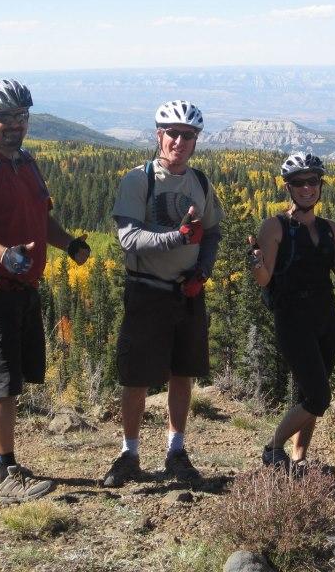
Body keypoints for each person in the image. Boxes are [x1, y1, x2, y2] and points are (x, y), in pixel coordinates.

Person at [0, 79, 91, 503]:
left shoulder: (24, 163)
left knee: (12, 376)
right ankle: (8, 477)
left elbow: (40, 221)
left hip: (19, 286)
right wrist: (3, 254)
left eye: (21, 117)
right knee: (1, 384)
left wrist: (71, 245)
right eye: (5, 118)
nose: (14, 125)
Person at [103, 100, 224, 487]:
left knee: (182, 373)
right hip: (147, 291)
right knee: (137, 378)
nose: (179, 141)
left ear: (196, 141)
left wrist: (203, 271)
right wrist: (177, 237)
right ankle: (129, 452)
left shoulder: (201, 183)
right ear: (159, 135)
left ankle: (176, 449)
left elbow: (213, 232)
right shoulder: (138, 180)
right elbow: (129, 238)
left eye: (188, 135)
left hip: (186, 292)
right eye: (172, 133)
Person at [249, 152, 335, 475]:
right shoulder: (274, 227)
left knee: (310, 392)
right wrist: (257, 263)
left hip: (325, 315)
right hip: (291, 317)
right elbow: (264, 279)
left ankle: (300, 460)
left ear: (320, 185)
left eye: (312, 181)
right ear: (288, 187)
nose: (307, 188)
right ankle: (273, 448)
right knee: (319, 396)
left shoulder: (330, 229)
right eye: (299, 183)